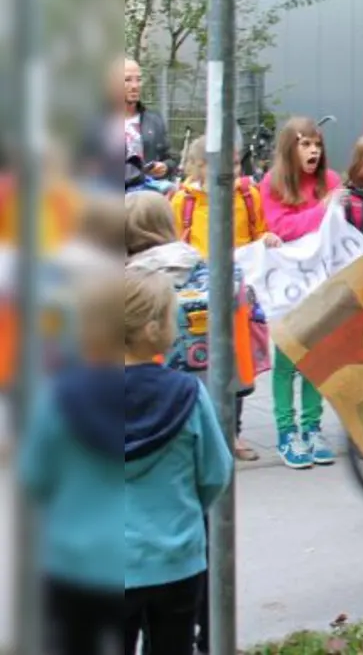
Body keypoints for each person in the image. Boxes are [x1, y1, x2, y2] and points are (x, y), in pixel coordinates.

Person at [121, 270, 233, 653]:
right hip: (177, 558)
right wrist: (185, 511)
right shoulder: (188, 394)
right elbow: (216, 472)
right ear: (154, 328)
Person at [19, 276, 129, 655]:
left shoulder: (58, 398)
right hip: (137, 555)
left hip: (70, 559)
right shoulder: (162, 394)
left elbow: (34, 476)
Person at [168, 139, 271, 461]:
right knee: (198, 363)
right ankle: (199, 430)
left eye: (237, 163)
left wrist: (268, 239)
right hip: (196, 298)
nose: (231, 170)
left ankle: (233, 433)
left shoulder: (247, 196)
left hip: (237, 292)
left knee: (236, 361)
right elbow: (173, 244)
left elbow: (259, 234)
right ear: (199, 166)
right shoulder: (182, 201)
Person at [262, 116, 343, 468]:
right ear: (289, 148)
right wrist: (320, 211)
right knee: (286, 360)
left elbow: (338, 228)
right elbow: (281, 226)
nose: (313, 151)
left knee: (317, 357)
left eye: (317, 144)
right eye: (305, 144)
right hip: (287, 281)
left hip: (321, 279)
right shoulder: (272, 183)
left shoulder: (331, 181)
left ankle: (312, 427)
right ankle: (286, 431)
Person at [115, 57, 176, 186]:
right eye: (127, 80)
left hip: (147, 194)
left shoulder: (154, 121)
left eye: (138, 80)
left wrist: (165, 167)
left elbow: (171, 160)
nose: (135, 86)